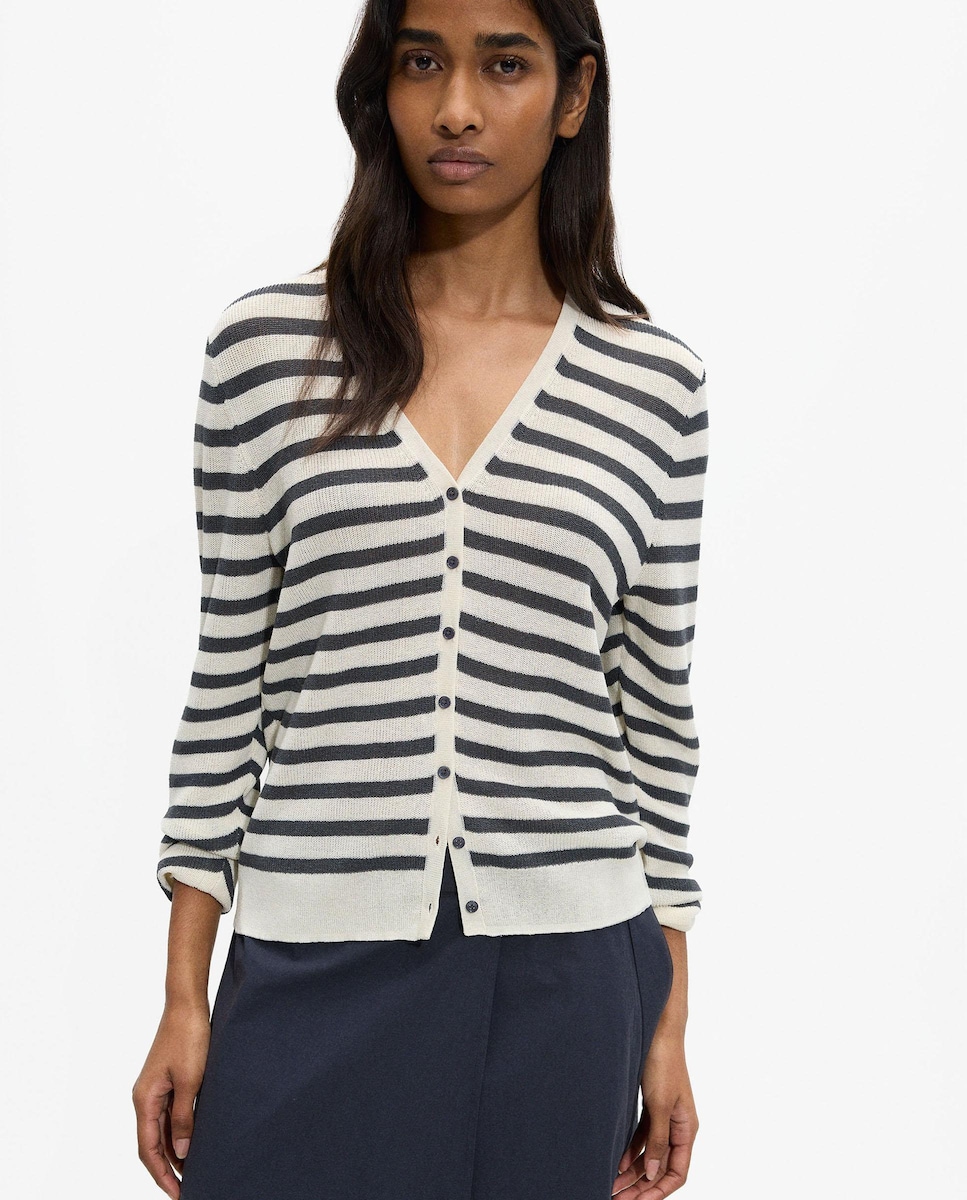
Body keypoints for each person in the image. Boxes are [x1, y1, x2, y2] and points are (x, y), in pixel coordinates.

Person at [132, 1, 710, 1197]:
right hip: (310, 956)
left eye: (504, 65)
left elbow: (653, 718)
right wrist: (185, 994)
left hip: (570, 973)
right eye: (420, 63)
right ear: (380, 91)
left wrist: (669, 1018)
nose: (456, 108)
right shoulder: (265, 352)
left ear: (573, 96)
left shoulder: (653, 384)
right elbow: (228, 680)